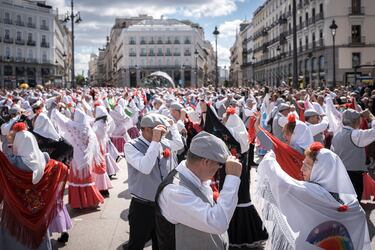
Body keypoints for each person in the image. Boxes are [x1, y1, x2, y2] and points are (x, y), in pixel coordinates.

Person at [256, 142, 370, 249]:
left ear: (321, 170)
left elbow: (282, 184)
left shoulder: (312, 192)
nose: (301, 169)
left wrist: (269, 160)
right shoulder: (353, 206)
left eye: (307, 166)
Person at [155, 131, 242, 250]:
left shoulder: (195, 176)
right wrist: (232, 179)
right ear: (205, 162)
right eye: (219, 164)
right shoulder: (174, 191)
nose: (219, 169)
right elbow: (218, 222)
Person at [0, 122, 69, 250]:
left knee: (15, 241)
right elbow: (63, 168)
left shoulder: (11, 163)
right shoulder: (45, 160)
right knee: (40, 238)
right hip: (37, 210)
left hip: (15, 211)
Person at [123, 113, 183, 250]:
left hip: (163, 204)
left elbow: (179, 145)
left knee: (161, 243)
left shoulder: (162, 142)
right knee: (136, 243)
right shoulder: (131, 146)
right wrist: (155, 142)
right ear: (147, 130)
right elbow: (145, 167)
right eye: (160, 131)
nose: (163, 134)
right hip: (142, 206)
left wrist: (173, 127)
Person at [331, 109, 375, 200]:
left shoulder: (337, 134)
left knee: (344, 203)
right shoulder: (356, 135)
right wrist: (371, 117)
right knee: (354, 203)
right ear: (357, 121)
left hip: (339, 173)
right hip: (353, 175)